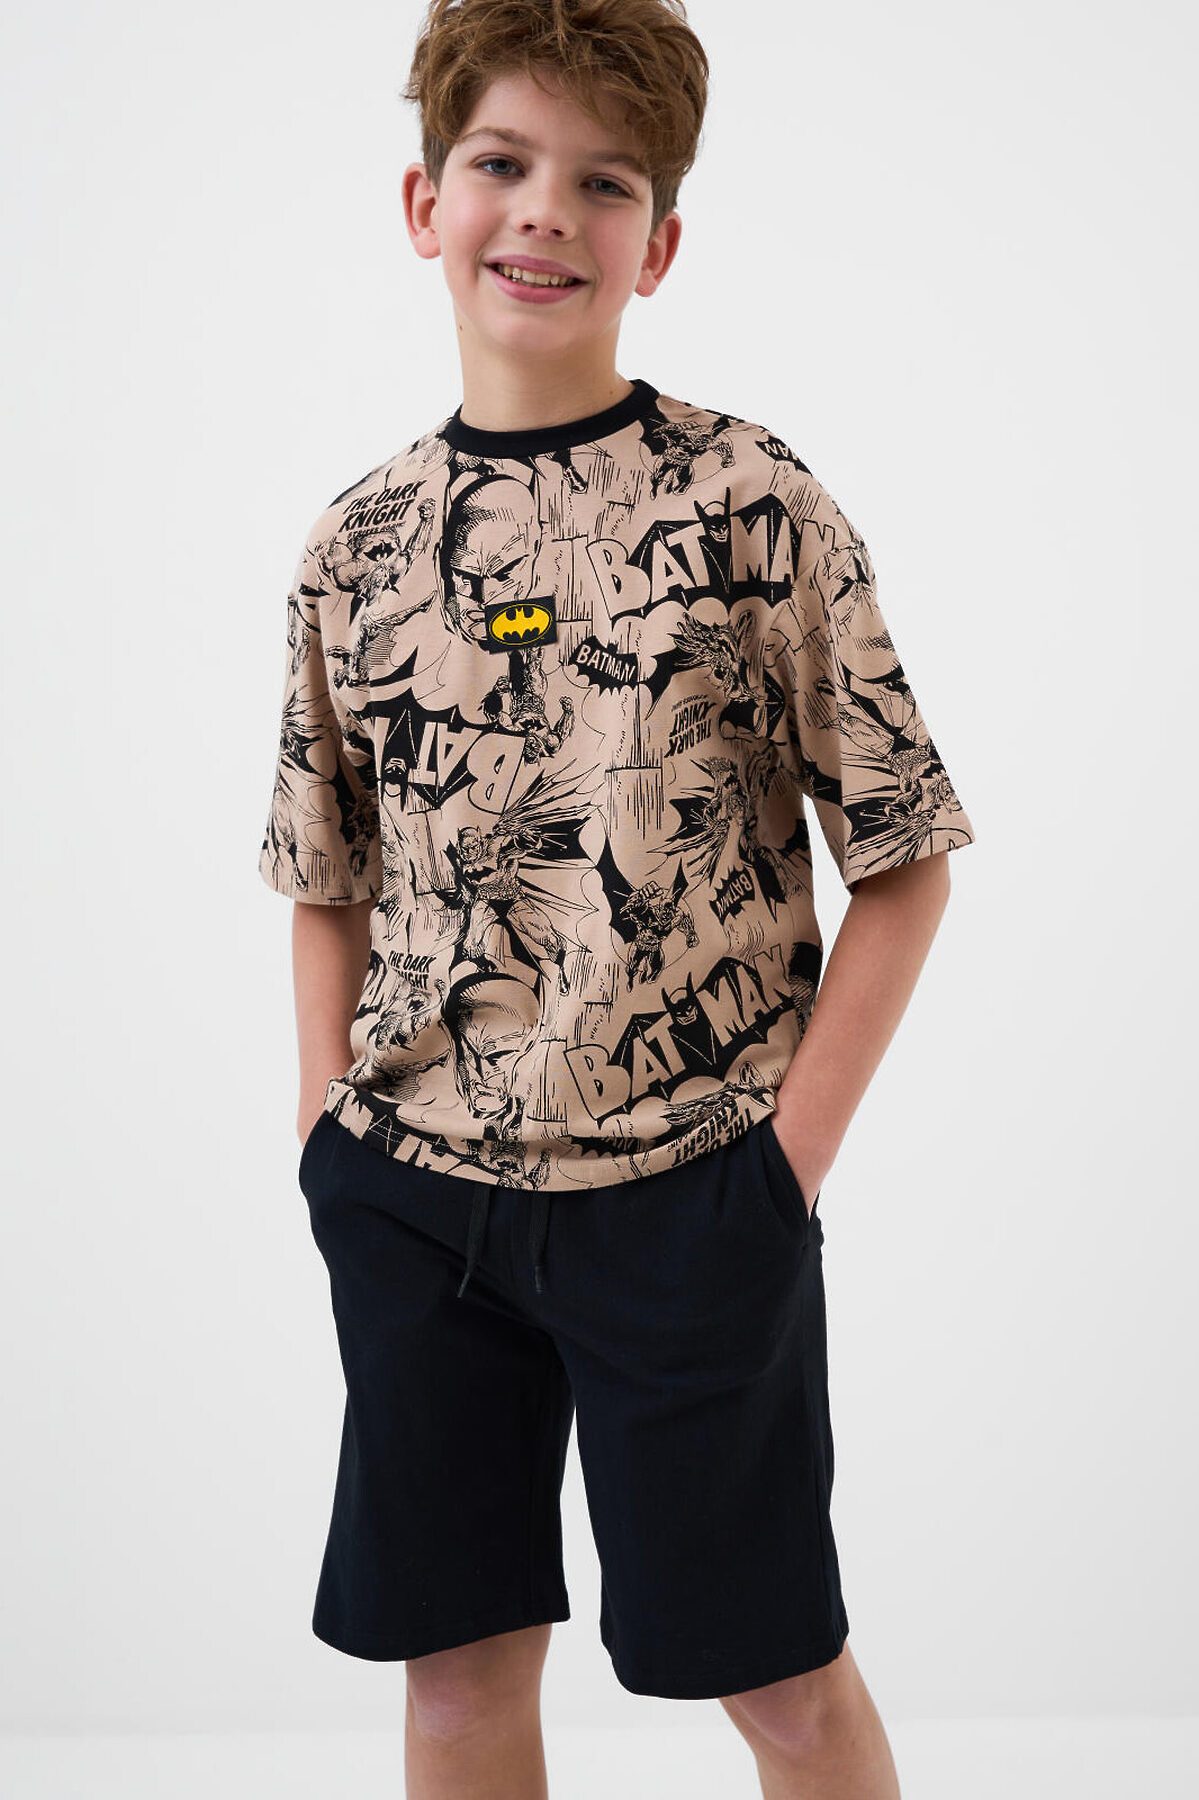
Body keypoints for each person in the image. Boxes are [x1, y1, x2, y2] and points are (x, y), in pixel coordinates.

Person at [257, 2, 976, 1793]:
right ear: (423, 204)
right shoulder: (357, 546)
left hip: (692, 1198)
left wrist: (783, 1163)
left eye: (603, 183)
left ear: (657, 244)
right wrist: (326, 1125)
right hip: (414, 1202)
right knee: (451, 1684)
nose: (545, 213)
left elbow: (904, 855)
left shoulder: (750, 503)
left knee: (780, 1680)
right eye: (502, 163)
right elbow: (324, 868)